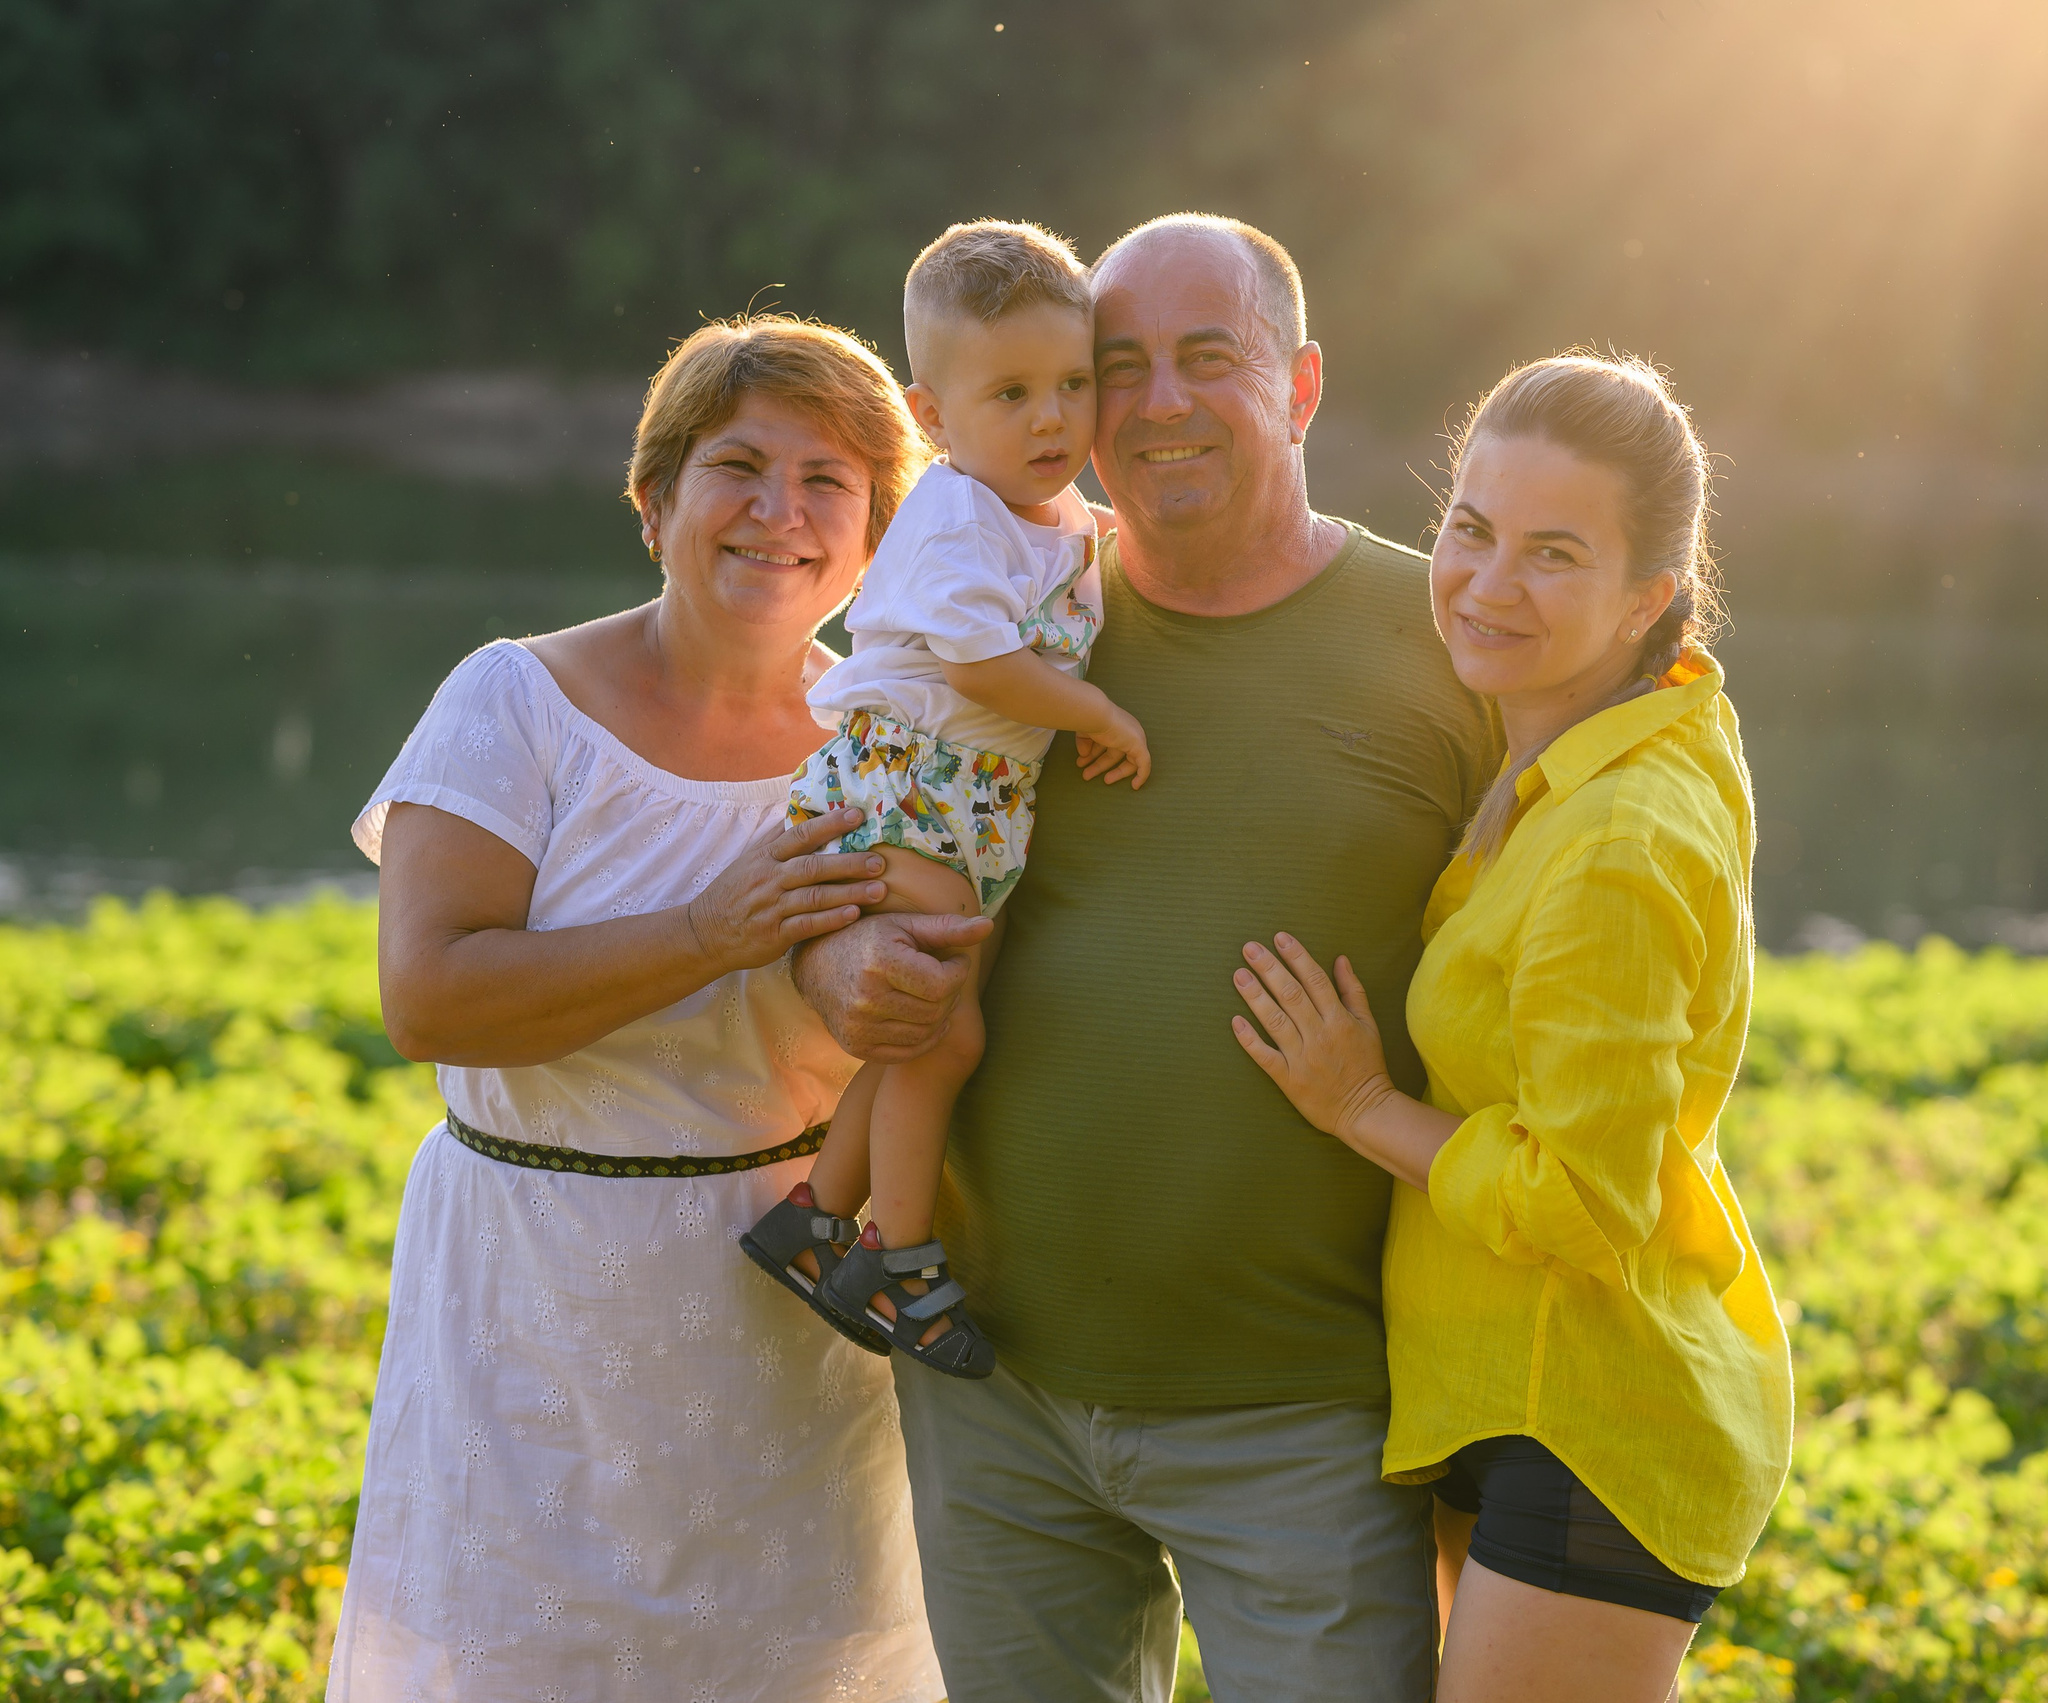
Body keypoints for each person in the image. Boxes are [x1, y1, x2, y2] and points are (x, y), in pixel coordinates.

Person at [793, 214, 1504, 1702]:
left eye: (1210, 359)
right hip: (995, 1393)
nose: (1158, 403)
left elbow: (1561, 964)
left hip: (1306, 1408)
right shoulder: (1016, 604)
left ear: (1301, 387)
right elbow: (833, 862)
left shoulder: (1445, 637)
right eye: (1120, 367)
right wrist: (839, 968)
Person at [328, 314, 944, 1703]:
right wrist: (705, 933)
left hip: (785, 1316)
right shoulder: (514, 700)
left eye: (829, 483)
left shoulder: (890, 742)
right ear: (656, 498)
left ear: (878, 536)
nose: (780, 513)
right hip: (531, 1296)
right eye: (740, 466)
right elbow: (428, 996)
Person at [1230, 353, 1795, 1702]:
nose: (1486, 582)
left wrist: (1362, 1105)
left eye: (1554, 554)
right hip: (1502, 1388)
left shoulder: (1616, 832)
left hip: (1590, 1410)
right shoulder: (1591, 739)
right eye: (1470, 529)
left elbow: (1589, 1196)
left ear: (1647, 596)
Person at [738, 221, 1148, 1381]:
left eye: (1073, 384)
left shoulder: (1053, 512)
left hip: (968, 807)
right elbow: (978, 664)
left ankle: (813, 1221)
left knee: (932, 1022)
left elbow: (1069, 571)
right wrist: (1101, 717)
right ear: (930, 417)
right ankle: (898, 1252)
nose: (1052, 419)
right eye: (1011, 393)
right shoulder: (953, 514)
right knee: (940, 1023)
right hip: (907, 785)